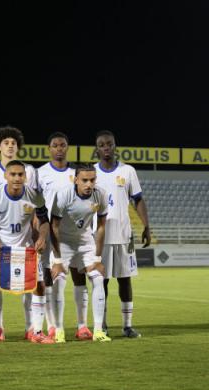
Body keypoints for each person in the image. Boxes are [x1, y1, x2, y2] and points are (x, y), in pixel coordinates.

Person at [0, 160, 54, 344]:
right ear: (6, 176)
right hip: (0, 248)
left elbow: (44, 221)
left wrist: (42, 237)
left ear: (26, 176)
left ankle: (37, 332)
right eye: (13, 174)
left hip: (25, 248)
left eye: (21, 174)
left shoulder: (34, 196)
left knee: (39, 286)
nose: (17, 178)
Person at [0, 126, 39, 341]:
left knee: (30, 285)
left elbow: (35, 206)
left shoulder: (30, 171)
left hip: (23, 238)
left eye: (14, 142)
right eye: (6, 142)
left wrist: (36, 231)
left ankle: (32, 328)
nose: (10, 145)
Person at [94, 130, 151, 338]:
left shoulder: (128, 171)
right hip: (100, 237)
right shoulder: (91, 173)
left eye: (109, 144)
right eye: (102, 144)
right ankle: (102, 325)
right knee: (102, 281)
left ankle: (127, 326)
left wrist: (146, 225)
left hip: (124, 235)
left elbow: (138, 199)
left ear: (115, 146)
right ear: (97, 149)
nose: (106, 147)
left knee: (125, 279)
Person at [50, 164, 109, 342]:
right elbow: (54, 227)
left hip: (85, 240)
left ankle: (98, 331)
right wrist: (58, 259)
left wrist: (98, 258)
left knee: (98, 277)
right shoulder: (63, 195)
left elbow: (101, 227)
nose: (89, 184)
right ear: (76, 180)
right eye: (84, 180)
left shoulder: (101, 194)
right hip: (64, 241)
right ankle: (59, 330)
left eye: (92, 180)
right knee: (59, 280)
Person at [37, 132, 78, 339]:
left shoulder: (76, 173)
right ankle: (51, 324)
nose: (59, 148)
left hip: (70, 232)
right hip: (47, 230)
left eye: (63, 145)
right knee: (48, 278)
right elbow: (36, 203)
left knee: (74, 278)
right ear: (49, 149)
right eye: (55, 145)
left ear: (67, 147)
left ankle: (81, 325)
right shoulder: (41, 173)